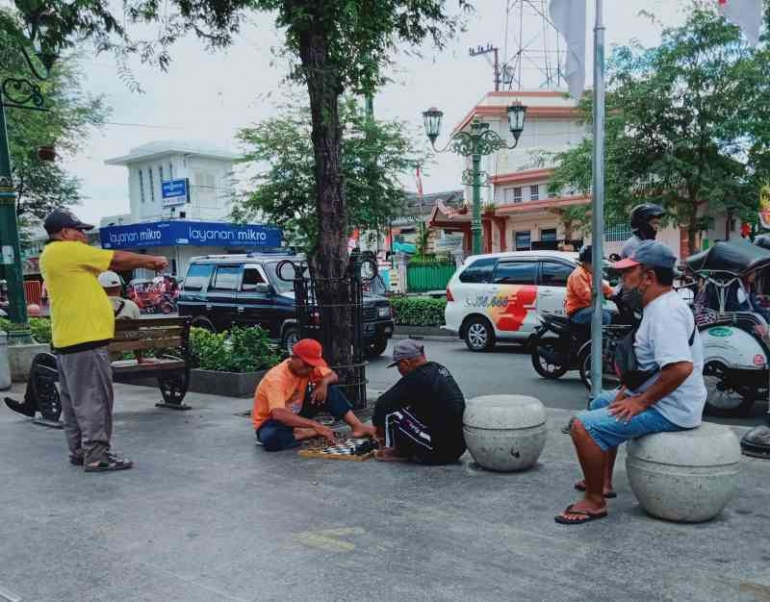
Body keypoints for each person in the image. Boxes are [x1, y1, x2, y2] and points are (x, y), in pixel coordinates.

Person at [555, 241, 706, 525]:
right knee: (601, 401)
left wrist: (640, 401)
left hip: (671, 409)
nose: (622, 281)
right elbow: (652, 367)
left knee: (582, 426)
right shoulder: (658, 305)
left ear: (648, 277)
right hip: (664, 399)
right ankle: (605, 483)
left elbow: (681, 368)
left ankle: (594, 501)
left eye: (627, 274)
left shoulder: (665, 313)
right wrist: (628, 391)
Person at [40, 209, 168, 472]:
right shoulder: (66, 250)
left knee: (76, 402)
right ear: (65, 233)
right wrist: (152, 260)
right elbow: (117, 259)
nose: (84, 236)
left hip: (69, 341)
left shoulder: (53, 255)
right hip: (85, 341)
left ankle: (80, 451)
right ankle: (98, 456)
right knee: (94, 399)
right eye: (80, 231)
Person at [253, 338, 376, 451]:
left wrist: (323, 383)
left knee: (330, 390)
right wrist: (315, 425)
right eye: (306, 365)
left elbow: (333, 375)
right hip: (271, 421)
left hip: (297, 412)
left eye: (312, 366)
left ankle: (357, 426)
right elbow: (278, 414)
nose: (309, 369)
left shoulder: (309, 368)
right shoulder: (275, 379)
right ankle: (308, 432)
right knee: (271, 439)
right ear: (293, 357)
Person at [372, 340, 466, 464]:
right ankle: (409, 447)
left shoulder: (417, 376)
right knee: (408, 406)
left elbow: (382, 404)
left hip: (437, 451)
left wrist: (377, 428)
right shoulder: (438, 369)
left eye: (398, 366)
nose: (399, 371)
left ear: (405, 362)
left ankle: (394, 448)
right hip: (457, 448)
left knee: (392, 413)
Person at [565, 245, 613, 326]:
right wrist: (602, 298)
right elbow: (586, 295)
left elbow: (602, 286)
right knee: (605, 317)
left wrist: (613, 292)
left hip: (587, 308)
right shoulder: (579, 274)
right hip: (577, 312)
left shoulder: (589, 273)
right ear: (588, 262)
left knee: (614, 313)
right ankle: (599, 338)